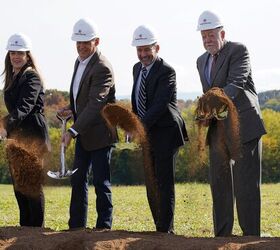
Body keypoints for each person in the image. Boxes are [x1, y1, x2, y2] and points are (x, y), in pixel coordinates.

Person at [196, 10, 266, 236]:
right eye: (204, 35)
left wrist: (210, 107)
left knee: (245, 185)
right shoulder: (201, 61)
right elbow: (208, 93)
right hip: (219, 128)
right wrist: (204, 114)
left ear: (222, 33)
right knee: (219, 183)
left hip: (244, 125)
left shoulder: (238, 51)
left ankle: (250, 236)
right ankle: (222, 236)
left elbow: (235, 85)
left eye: (211, 34)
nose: (207, 39)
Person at [58, 18, 117, 230]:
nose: (81, 46)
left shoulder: (102, 67)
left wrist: (73, 130)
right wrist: (71, 109)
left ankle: (103, 228)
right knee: (77, 180)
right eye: (78, 42)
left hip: (100, 134)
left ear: (97, 41)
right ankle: (76, 227)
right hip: (84, 133)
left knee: (101, 183)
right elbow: (82, 98)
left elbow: (96, 103)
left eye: (86, 42)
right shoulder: (79, 61)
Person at [130, 25, 188, 233]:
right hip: (147, 133)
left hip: (166, 132)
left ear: (157, 48)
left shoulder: (167, 71)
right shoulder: (137, 68)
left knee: (164, 181)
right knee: (150, 180)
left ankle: (166, 230)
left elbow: (159, 105)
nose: (143, 54)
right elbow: (137, 100)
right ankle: (158, 226)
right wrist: (133, 123)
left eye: (147, 49)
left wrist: (138, 126)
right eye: (139, 50)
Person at [0, 33, 50, 227]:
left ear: (27, 55)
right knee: (19, 188)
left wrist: (5, 125)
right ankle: (24, 232)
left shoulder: (32, 77)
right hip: (17, 138)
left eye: (20, 53)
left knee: (32, 188)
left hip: (33, 137)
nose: (16, 56)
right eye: (12, 53)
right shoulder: (13, 77)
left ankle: (35, 233)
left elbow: (24, 107)